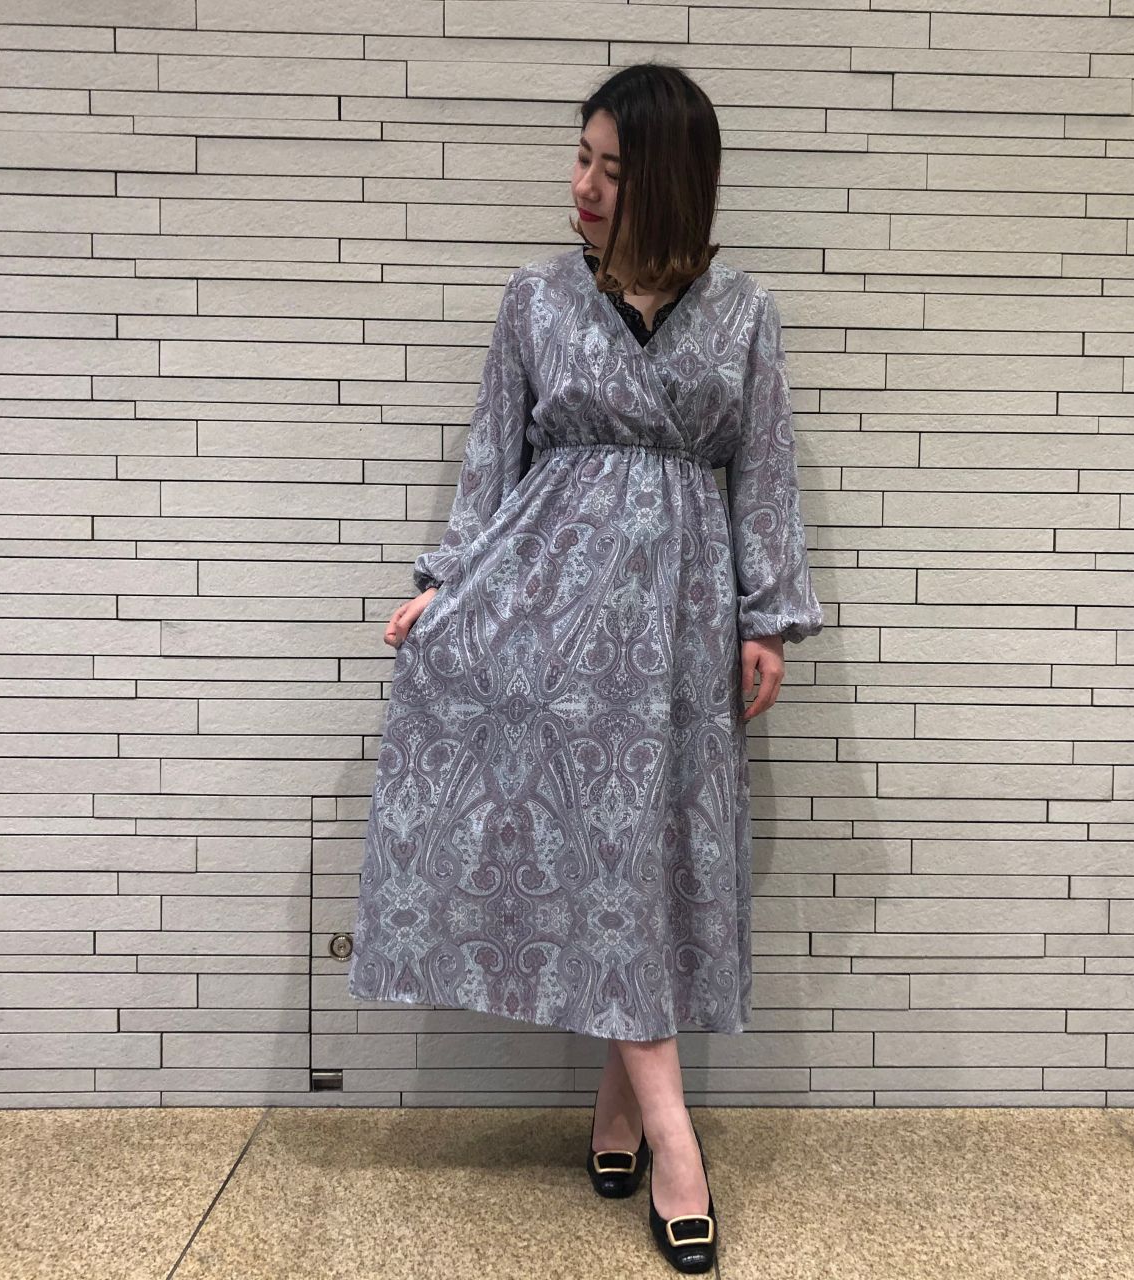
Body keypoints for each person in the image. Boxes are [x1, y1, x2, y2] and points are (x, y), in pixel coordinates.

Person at [347, 62, 823, 1275]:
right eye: (580, 159)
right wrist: (447, 585)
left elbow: (763, 468)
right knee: (602, 862)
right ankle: (674, 1146)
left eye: (612, 169)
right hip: (546, 629)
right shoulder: (536, 299)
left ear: (668, 181)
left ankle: (616, 1112)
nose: (585, 187)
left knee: (645, 859)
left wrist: (765, 616)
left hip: (676, 632)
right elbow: (488, 463)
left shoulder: (743, 313)